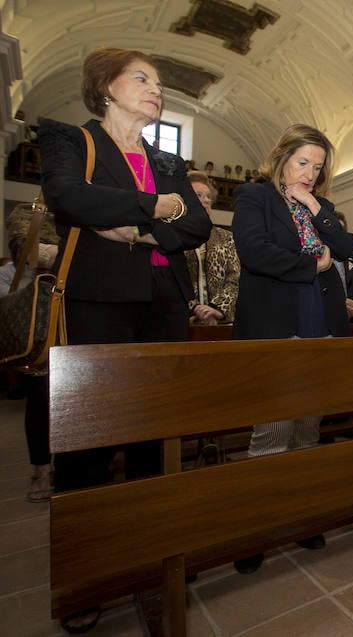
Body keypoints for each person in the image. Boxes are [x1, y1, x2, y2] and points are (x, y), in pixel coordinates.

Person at [38, 46, 211, 632]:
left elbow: (197, 225)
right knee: (90, 437)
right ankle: (86, 575)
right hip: (98, 302)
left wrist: (134, 231)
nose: (156, 89)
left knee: (153, 436)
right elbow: (71, 198)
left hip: (163, 304)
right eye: (142, 78)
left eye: (160, 83)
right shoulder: (69, 139)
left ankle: (149, 563)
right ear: (105, 87)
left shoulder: (165, 159)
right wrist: (154, 209)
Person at [230, 123, 353, 568]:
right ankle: (254, 530)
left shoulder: (322, 204)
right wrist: (313, 263)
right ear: (280, 157)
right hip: (275, 325)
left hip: (321, 325)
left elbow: (345, 246)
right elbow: (255, 251)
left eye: (317, 167)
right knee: (272, 430)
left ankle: (302, 517)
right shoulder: (254, 197)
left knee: (307, 429)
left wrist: (314, 207)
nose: (309, 173)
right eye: (302, 162)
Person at [4, 197, 59, 503]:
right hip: (42, 316)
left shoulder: (89, 209)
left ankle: (69, 467)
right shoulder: (29, 212)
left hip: (82, 311)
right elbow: (33, 256)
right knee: (41, 396)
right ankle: (40, 469)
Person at [185, 171, 239, 324]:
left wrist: (218, 309)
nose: (206, 200)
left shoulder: (226, 237)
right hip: (183, 320)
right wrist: (195, 308)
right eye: (199, 195)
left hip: (220, 322)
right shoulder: (174, 236)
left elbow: (234, 279)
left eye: (208, 197)